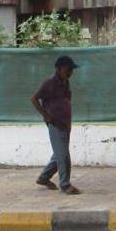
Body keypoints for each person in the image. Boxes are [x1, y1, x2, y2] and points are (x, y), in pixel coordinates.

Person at [31, 55, 80, 194]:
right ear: (59, 69)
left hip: (64, 123)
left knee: (58, 154)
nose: (71, 72)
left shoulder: (65, 82)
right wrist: (46, 115)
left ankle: (44, 177)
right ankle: (65, 184)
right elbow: (34, 99)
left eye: (72, 70)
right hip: (55, 124)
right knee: (63, 155)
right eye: (68, 69)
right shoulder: (49, 83)